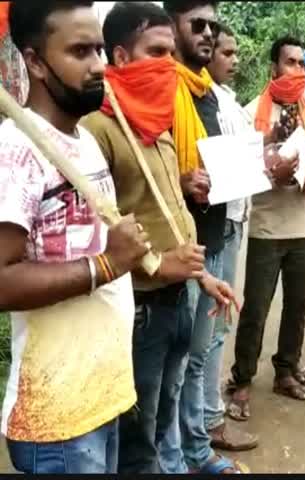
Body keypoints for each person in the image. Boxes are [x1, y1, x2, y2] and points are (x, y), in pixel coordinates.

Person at [80, 3, 245, 473]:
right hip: (141, 305)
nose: (169, 65)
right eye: (157, 52)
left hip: (182, 294)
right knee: (138, 427)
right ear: (120, 56)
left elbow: (171, 215)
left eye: (171, 53)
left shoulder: (155, 124)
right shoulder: (99, 129)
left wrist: (203, 279)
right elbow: (94, 237)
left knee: (167, 405)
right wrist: (155, 265)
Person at [0, 1, 148, 474]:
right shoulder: (17, 151)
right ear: (36, 61)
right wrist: (105, 265)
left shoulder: (82, 141)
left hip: (101, 395)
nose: (99, 65)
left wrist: (162, 264)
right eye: (80, 51)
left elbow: (104, 251)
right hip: (57, 419)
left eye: (99, 49)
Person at [161, 0, 251, 473]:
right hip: (176, 251)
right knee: (174, 367)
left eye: (213, 26)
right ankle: (177, 458)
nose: (209, 35)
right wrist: (181, 181)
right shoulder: (160, 90)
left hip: (213, 239)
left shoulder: (209, 94)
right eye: (198, 24)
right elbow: (151, 170)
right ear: (170, 24)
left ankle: (195, 450)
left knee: (197, 357)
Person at [228, 35, 305, 419]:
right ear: (274, 68)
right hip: (267, 227)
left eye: (302, 64)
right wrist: (272, 175)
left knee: (297, 306)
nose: (298, 70)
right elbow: (238, 171)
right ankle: (241, 380)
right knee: (256, 308)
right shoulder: (251, 112)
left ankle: (285, 372)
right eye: (290, 62)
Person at [204, 21, 259, 453]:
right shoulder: (202, 100)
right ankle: (206, 423)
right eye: (227, 52)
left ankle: (205, 419)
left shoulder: (228, 101)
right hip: (216, 223)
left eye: (235, 53)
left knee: (218, 323)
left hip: (234, 218)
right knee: (208, 329)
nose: (234, 60)